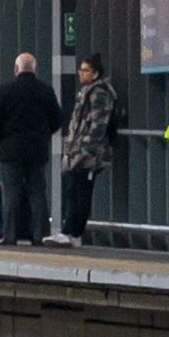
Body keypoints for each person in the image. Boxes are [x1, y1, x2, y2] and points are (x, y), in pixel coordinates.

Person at [0, 49, 62, 246]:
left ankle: (9, 235)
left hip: (10, 151)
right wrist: (44, 135)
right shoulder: (45, 90)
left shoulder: (6, 90)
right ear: (35, 70)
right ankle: (40, 235)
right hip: (37, 150)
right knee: (37, 192)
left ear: (16, 69)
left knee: (11, 192)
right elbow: (57, 119)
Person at [59, 54, 120, 250]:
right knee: (72, 190)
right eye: (81, 69)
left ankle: (74, 232)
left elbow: (98, 126)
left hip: (90, 155)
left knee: (81, 193)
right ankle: (68, 230)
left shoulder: (99, 93)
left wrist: (82, 150)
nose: (80, 73)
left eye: (85, 70)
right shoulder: (85, 91)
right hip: (77, 151)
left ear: (95, 74)